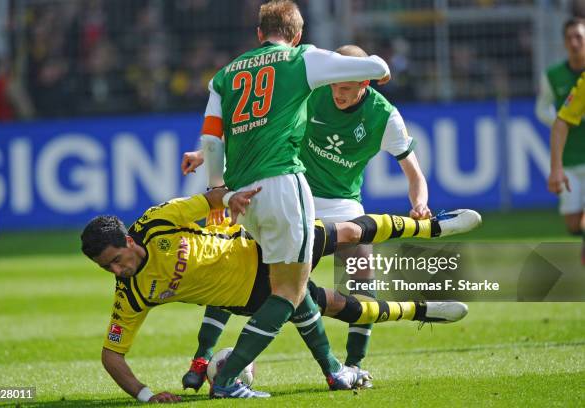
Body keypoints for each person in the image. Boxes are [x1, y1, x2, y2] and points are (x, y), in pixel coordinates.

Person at [181, 44, 431, 390]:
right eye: (335, 86)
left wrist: (419, 204)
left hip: (344, 203)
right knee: (241, 271)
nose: (338, 93)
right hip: (296, 195)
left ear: (365, 85)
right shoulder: (313, 93)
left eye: (346, 88)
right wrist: (203, 152)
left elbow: (415, 174)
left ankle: (354, 364)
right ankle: (201, 358)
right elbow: (257, 125)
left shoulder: (385, 116)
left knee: (362, 277)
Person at [81, 190, 480, 402]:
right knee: (340, 306)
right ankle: (421, 311)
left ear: (129, 240)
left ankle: (433, 228)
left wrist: (229, 199)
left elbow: (209, 199)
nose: (117, 271)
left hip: (258, 246)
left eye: (116, 260)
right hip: (253, 296)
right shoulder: (131, 293)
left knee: (348, 233)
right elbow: (111, 355)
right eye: (107, 269)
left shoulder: (156, 222)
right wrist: (147, 396)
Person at [198, 0, 391, 397]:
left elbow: (210, 139)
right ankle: (229, 377)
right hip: (284, 186)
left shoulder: (224, 76)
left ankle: (333, 370)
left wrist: (217, 187)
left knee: (289, 287)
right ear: (298, 33)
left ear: (258, 33)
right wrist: (377, 67)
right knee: (288, 290)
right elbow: (376, 69)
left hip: (240, 196)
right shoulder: (302, 58)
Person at [536, 18, 585, 264]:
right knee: (573, 223)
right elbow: (560, 121)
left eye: (580, 37)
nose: (575, 43)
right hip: (570, 158)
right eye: (570, 38)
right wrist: (555, 169)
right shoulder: (558, 77)